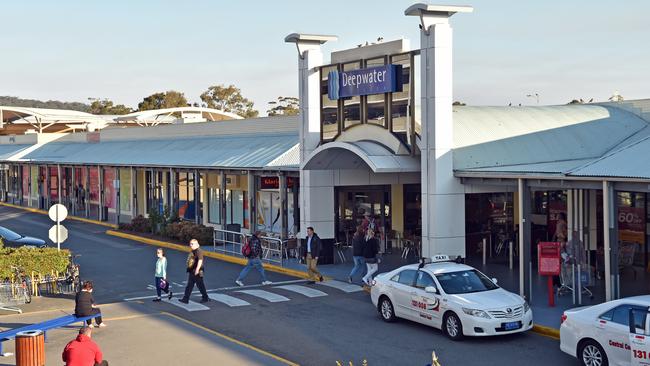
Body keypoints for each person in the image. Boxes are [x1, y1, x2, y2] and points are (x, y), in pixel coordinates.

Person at [179, 239, 210, 304]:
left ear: (196, 244)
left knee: (200, 285)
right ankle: (185, 299)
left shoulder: (199, 251)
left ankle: (205, 297)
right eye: (190, 243)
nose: (190, 245)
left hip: (197, 271)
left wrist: (197, 270)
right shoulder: (193, 250)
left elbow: (200, 260)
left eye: (192, 244)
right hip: (192, 271)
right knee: (190, 285)